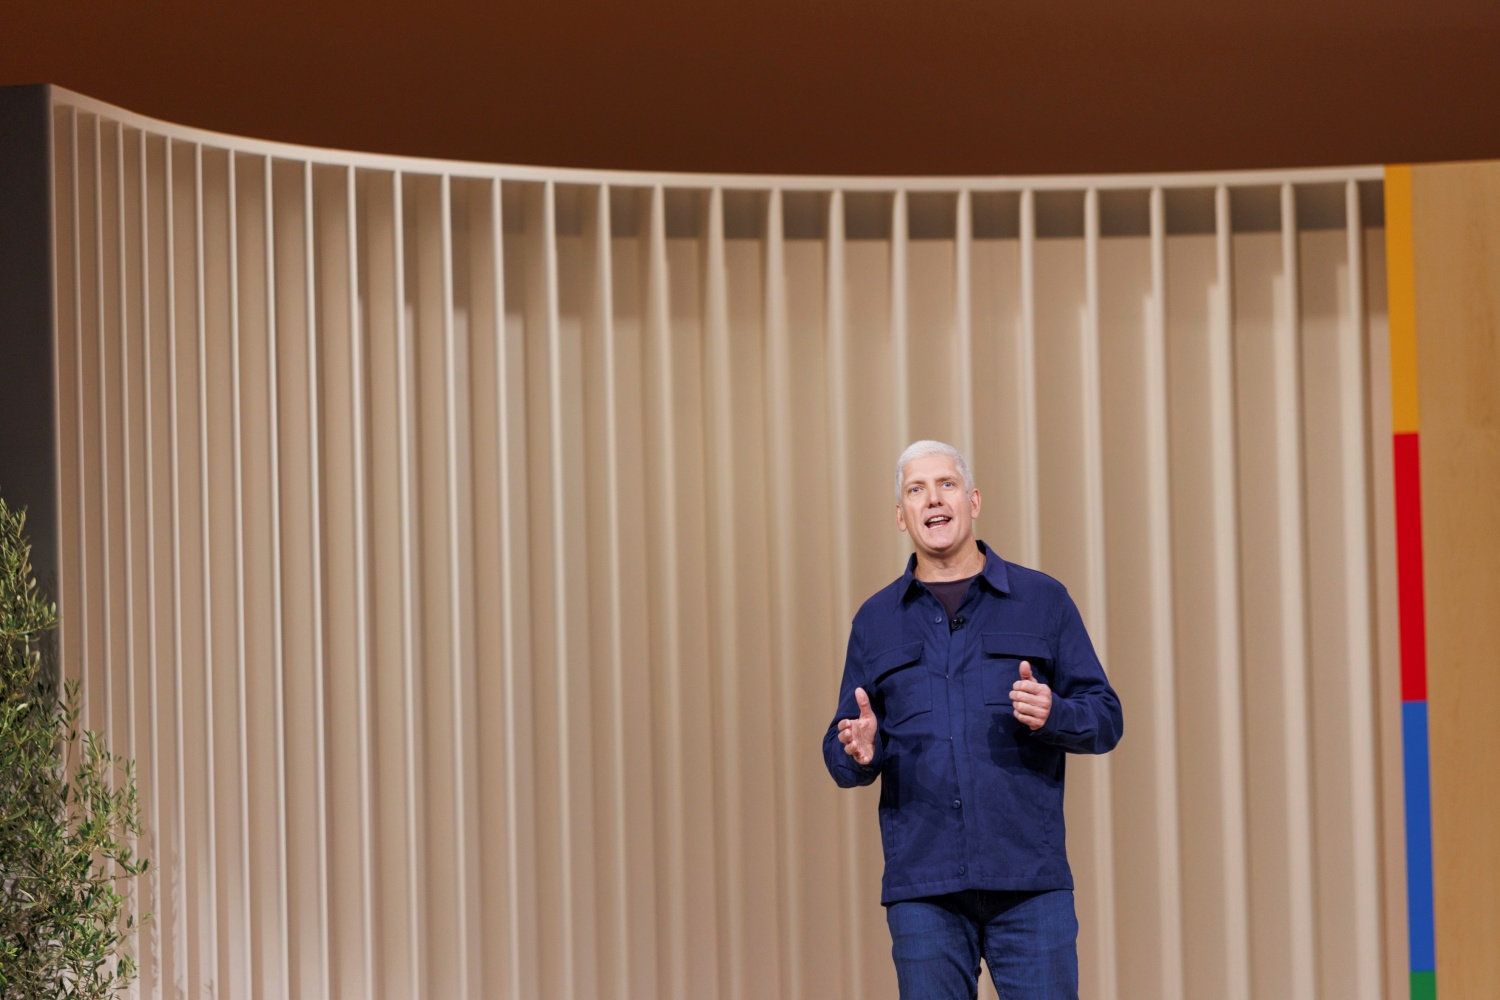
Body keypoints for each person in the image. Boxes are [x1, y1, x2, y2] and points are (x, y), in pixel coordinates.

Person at [822, 440, 1122, 1000]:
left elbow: (1105, 717)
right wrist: (858, 750)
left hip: (1029, 883)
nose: (932, 499)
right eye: (916, 489)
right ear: (900, 515)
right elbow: (843, 746)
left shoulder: (1042, 599)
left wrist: (1055, 713)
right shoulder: (876, 620)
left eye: (946, 484)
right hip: (924, 888)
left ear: (973, 500)